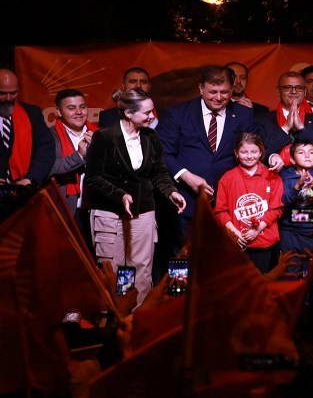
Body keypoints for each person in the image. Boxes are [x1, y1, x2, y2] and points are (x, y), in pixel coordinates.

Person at [84, 88, 186, 304]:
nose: (152, 116)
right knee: (116, 269)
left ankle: (138, 315)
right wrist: (120, 195)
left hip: (143, 210)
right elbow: (93, 177)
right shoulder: (105, 137)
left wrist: (171, 192)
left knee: (139, 267)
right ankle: (120, 313)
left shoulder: (151, 136)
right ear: (129, 113)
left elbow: (159, 172)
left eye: (153, 111)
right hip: (110, 212)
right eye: (147, 112)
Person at [157, 66, 279, 226]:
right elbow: (162, 152)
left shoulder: (243, 114)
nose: (219, 97)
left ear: (232, 89)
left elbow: (257, 145)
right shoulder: (178, 114)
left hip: (231, 205)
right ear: (201, 88)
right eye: (213, 92)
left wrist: (273, 156)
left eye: (224, 92)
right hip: (186, 201)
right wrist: (186, 176)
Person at [213, 133, 283, 273]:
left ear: (261, 152)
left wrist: (257, 230)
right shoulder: (227, 178)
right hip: (237, 244)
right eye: (244, 152)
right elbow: (220, 211)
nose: (249, 156)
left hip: (265, 244)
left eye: (254, 151)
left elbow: (276, 209)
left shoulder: (273, 177)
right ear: (236, 153)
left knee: (263, 283)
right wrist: (235, 234)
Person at [279, 140, 313, 276]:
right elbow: (282, 202)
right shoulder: (285, 177)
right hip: (290, 233)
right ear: (292, 159)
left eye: (311, 152)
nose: (307, 155)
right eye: (301, 152)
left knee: (312, 274)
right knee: (290, 272)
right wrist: (297, 186)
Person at [258, 71, 313, 166]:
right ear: (278, 91)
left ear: (305, 92)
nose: (294, 91)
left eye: (299, 88)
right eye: (287, 87)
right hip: (274, 173)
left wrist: (302, 129)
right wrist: (285, 128)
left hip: (311, 174)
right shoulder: (261, 120)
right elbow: (257, 154)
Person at [0, 68, 54, 187]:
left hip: (23, 188)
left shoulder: (32, 114)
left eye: (13, 93)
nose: (8, 98)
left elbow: (45, 149)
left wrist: (31, 178)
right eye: (2, 93)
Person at [49, 89, 96, 218]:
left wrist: (98, 150)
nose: (79, 112)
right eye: (71, 108)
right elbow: (49, 168)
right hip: (66, 207)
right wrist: (79, 156)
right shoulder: (49, 136)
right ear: (59, 111)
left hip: (96, 208)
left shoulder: (99, 134)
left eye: (82, 107)